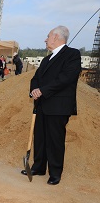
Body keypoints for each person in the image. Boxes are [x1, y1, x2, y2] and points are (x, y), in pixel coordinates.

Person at [20, 25, 81, 185]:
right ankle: (39, 167)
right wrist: (34, 90)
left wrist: (43, 90)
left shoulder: (72, 55)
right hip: (42, 105)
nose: (46, 40)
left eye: (48, 36)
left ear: (56, 37)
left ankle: (55, 173)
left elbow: (66, 78)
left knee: (55, 139)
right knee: (40, 137)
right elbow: (36, 78)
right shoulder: (47, 59)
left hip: (58, 105)